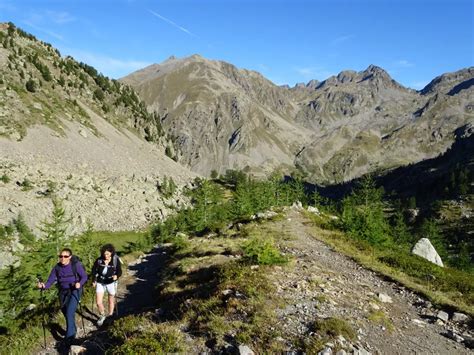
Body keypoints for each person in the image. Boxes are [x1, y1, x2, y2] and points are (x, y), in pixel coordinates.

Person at [37, 248, 88, 342]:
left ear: (70, 257)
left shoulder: (75, 265)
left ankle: (69, 338)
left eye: (65, 256)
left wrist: (79, 284)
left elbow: (84, 276)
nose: (63, 258)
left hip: (74, 290)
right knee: (65, 311)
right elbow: (50, 281)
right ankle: (73, 329)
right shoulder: (57, 267)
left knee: (69, 312)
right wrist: (43, 286)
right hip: (63, 291)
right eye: (61, 256)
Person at [91, 243, 122, 326]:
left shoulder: (115, 260)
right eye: (104, 253)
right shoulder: (99, 260)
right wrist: (94, 280)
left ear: (111, 253)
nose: (105, 255)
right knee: (98, 302)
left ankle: (111, 315)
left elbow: (119, 271)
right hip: (100, 282)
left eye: (107, 254)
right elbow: (94, 270)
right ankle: (102, 315)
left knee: (111, 300)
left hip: (111, 282)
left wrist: (116, 276)